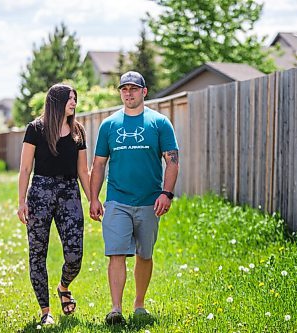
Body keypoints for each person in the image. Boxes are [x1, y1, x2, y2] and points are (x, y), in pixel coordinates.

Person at [89, 71, 179, 324]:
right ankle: (116, 309)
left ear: (144, 91)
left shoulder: (160, 123)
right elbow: (98, 165)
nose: (128, 93)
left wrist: (167, 193)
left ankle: (139, 304)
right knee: (116, 253)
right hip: (117, 200)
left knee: (145, 254)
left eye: (133, 88)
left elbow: (172, 162)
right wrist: (94, 198)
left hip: (150, 201)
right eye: (124, 89)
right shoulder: (109, 125)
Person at [17, 83, 90, 325]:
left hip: (69, 193)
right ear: (56, 101)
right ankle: (45, 311)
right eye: (69, 98)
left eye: (74, 98)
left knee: (75, 254)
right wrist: (21, 202)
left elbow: (83, 171)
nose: (73, 103)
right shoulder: (36, 129)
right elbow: (25, 168)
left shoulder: (78, 130)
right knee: (37, 253)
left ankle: (63, 286)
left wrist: (93, 200)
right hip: (40, 193)